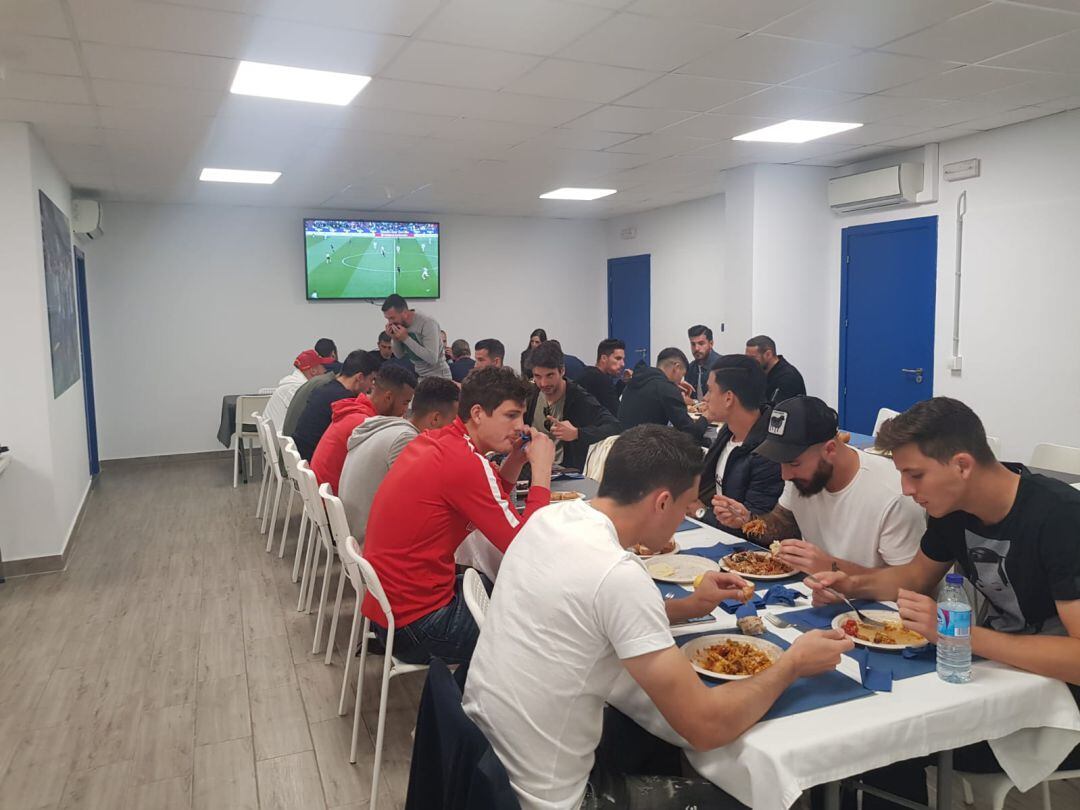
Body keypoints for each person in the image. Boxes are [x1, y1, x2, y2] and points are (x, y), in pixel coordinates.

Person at [463, 425, 854, 810]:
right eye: (686, 509)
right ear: (662, 502)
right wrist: (792, 664)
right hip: (549, 797)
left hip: (486, 762)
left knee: (648, 735)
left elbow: (591, 614)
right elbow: (706, 726)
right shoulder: (615, 573)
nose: (684, 519)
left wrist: (689, 607)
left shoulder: (551, 520)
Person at [806, 397, 1080, 809]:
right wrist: (854, 583)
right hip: (999, 672)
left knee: (883, 740)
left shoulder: (1060, 517)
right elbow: (915, 577)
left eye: (914, 475)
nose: (906, 490)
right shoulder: (953, 509)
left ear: (962, 465)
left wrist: (959, 634)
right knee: (853, 721)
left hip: (1058, 711)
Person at [361, 367, 556, 664]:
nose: (520, 426)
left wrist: (515, 458)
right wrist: (542, 472)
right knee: (540, 625)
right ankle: (485, 703)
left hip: (391, 614)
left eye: (521, 416)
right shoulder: (462, 462)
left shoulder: (441, 442)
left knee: (503, 589)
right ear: (477, 413)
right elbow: (525, 548)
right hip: (417, 628)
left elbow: (482, 500)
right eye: (511, 415)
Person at [714, 396, 925, 574]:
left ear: (830, 450)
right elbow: (783, 522)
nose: (785, 475)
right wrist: (748, 520)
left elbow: (908, 582)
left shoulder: (893, 495)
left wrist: (832, 568)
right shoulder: (803, 477)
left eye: (794, 463)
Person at [338, 376, 460, 540]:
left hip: (351, 531)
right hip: (369, 541)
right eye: (452, 422)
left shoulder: (387, 427)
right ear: (435, 419)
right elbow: (420, 501)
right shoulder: (406, 440)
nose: (455, 430)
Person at [686, 355, 783, 535]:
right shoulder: (728, 432)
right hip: (714, 531)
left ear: (729, 398)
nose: (705, 398)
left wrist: (701, 513)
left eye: (709, 390)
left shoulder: (768, 453)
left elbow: (755, 527)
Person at [310, 364, 417, 494]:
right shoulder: (363, 425)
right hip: (334, 505)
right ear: (388, 397)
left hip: (322, 496)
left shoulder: (356, 411)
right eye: (405, 403)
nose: (405, 411)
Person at [525, 341, 620, 471]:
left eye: (550, 375)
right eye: (537, 376)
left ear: (562, 370)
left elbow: (614, 426)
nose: (543, 383)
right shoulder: (531, 394)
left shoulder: (578, 398)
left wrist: (577, 433)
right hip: (532, 466)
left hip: (564, 473)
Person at [292, 350, 381, 460]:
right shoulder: (344, 401)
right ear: (360, 377)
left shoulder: (325, 388)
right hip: (312, 463)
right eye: (371, 380)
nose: (371, 387)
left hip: (301, 459)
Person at [618, 348, 708, 445]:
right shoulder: (666, 389)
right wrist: (707, 417)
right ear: (676, 367)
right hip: (644, 451)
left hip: (623, 444)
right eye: (682, 376)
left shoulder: (636, 380)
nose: (680, 380)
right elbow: (691, 434)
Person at [382, 293, 452, 380]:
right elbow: (399, 355)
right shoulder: (399, 325)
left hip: (440, 376)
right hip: (421, 376)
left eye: (392, 318)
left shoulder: (427, 323)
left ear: (404, 313)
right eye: (387, 319)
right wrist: (394, 338)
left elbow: (432, 358)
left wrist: (406, 338)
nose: (390, 323)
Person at [265, 348, 334, 431]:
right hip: (282, 440)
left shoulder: (292, 384)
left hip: (278, 437)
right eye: (323, 366)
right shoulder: (296, 388)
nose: (325, 370)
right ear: (313, 371)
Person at [745, 335, 806, 404]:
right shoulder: (759, 372)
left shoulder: (787, 377)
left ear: (768, 354)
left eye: (753, 358)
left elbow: (773, 411)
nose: (749, 362)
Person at [576, 338, 627, 416]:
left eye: (623, 359)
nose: (623, 364)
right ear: (604, 358)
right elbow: (617, 413)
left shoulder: (586, 372)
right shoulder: (602, 380)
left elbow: (608, 398)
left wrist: (622, 382)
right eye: (618, 358)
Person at [686, 325, 721, 400]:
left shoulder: (722, 365)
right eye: (693, 344)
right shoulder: (690, 368)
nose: (696, 348)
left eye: (701, 343)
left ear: (711, 344)